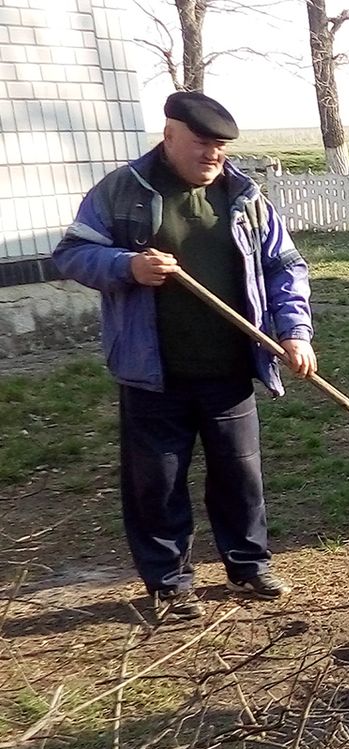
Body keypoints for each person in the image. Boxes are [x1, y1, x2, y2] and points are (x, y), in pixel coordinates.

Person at [53, 91, 317, 621]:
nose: (212, 156)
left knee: (240, 475)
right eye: (202, 145)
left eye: (219, 147)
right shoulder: (121, 191)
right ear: (169, 134)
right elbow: (72, 253)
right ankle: (169, 582)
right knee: (159, 482)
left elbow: (283, 266)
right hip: (152, 373)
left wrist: (294, 331)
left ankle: (248, 564)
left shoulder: (245, 195)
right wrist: (127, 266)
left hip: (231, 368)